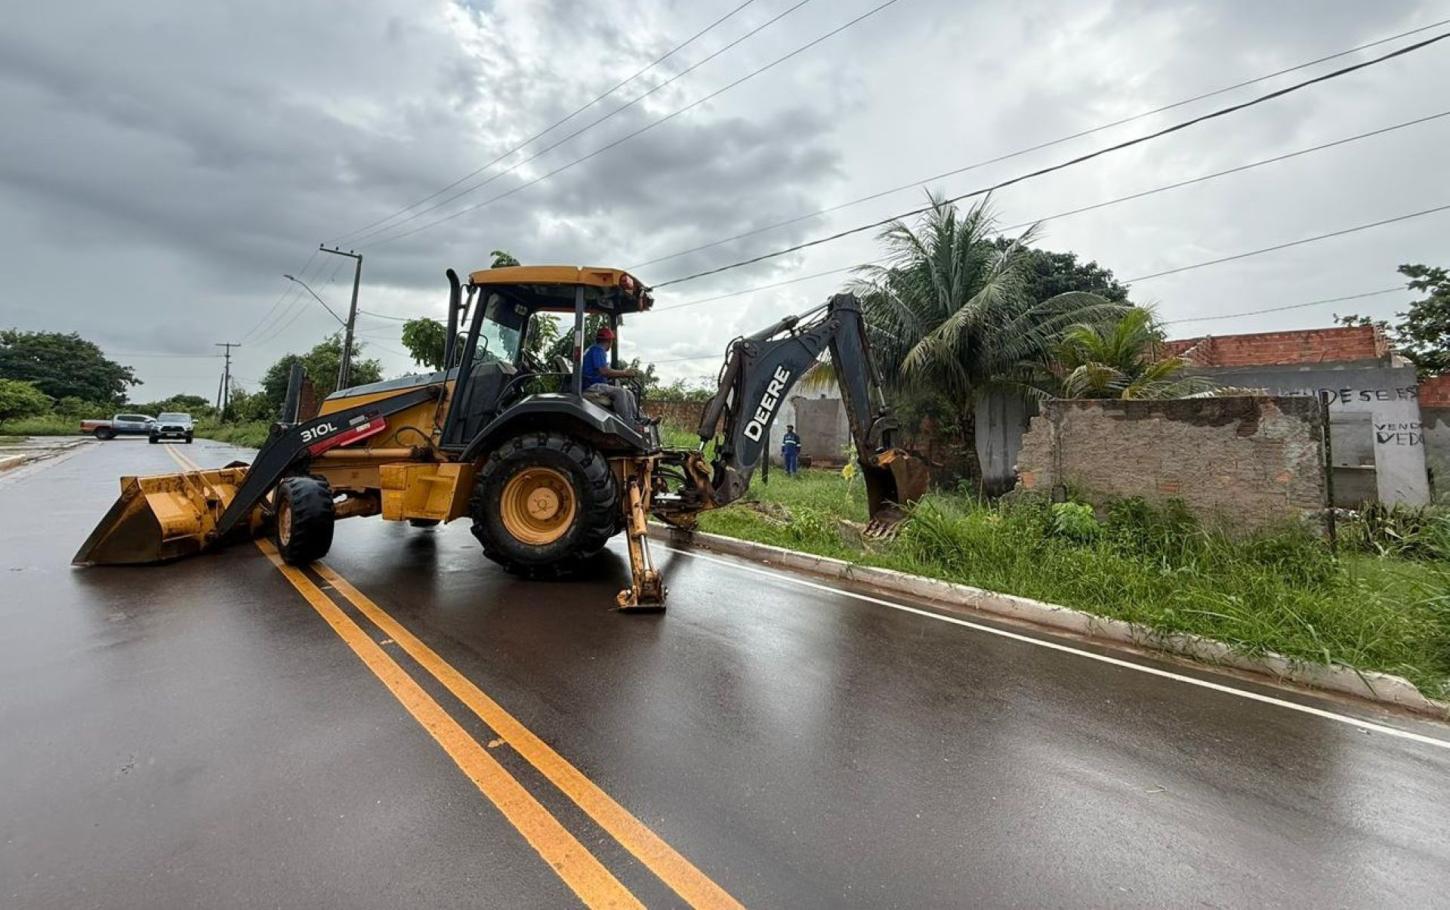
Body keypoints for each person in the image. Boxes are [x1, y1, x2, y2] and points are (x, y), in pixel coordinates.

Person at [581, 325, 641, 423]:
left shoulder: (593, 349)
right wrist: (624, 373)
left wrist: (621, 374)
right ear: (609, 342)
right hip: (591, 386)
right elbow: (604, 371)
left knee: (628, 393)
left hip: (595, 384)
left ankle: (638, 419)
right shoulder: (598, 350)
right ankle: (629, 424)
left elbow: (601, 372)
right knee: (620, 392)